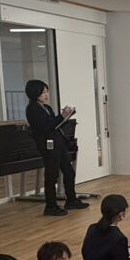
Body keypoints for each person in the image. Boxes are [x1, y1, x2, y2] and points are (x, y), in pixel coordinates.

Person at [23, 79, 89, 217]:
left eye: (47, 92)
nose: (46, 95)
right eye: (43, 92)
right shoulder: (32, 109)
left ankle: (71, 199)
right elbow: (46, 126)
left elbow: (55, 125)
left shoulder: (47, 108)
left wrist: (65, 117)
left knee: (69, 171)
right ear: (35, 93)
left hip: (58, 143)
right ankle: (51, 206)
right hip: (48, 145)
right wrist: (61, 116)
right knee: (52, 175)